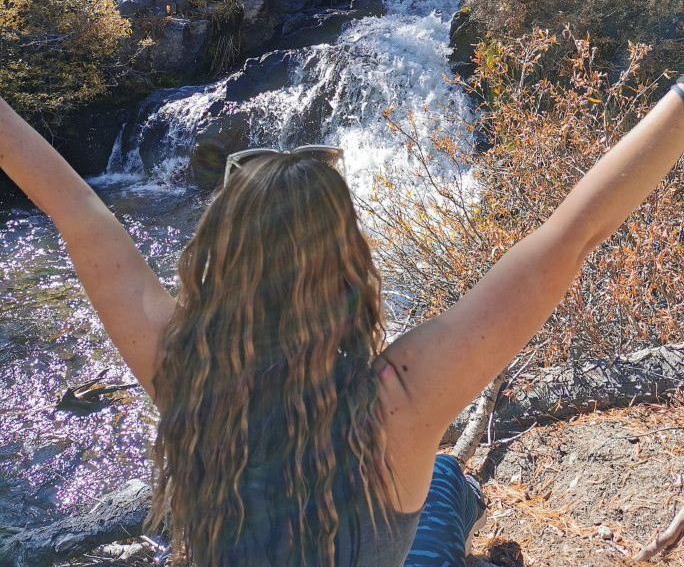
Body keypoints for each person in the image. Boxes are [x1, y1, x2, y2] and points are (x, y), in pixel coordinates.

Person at [0, 76, 682, 567]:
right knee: (445, 480)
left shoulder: (182, 368)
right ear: (350, 261)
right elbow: (574, 234)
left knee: (447, 480)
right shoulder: (404, 398)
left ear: (217, 255)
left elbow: (74, 207)